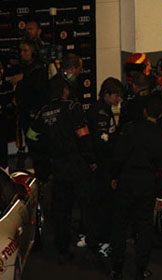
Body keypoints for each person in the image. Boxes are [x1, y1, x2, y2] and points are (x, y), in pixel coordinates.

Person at [26, 78, 96, 264]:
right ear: (65, 91)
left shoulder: (43, 113)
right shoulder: (73, 107)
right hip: (77, 164)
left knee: (61, 210)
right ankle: (93, 245)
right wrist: (90, 159)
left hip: (57, 166)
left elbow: (31, 137)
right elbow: (83, 135)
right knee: (87, 205)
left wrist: (44, 156)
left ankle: (62, 249)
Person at [109, 95, 162, 280]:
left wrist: (114, 176)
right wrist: (160, 196)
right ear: (159, 116)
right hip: (147, 184)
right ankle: (140, 269)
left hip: (127, 181)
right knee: (144, 228)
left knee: (120, 225)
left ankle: (116, 268)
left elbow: (118, 156)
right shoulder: (161, 138)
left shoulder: (130, 130)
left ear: (144, 112)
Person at [81, 77, 124, 256]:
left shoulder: (103, 110)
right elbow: (101, 143)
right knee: (102, 204)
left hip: (99, 164)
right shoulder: (100, 113)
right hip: (101, 166)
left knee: (96, 203)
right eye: (116, 96)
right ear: (106, 94)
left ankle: (91, 236)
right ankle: (98, 240)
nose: (118, 100)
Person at [13, 39, 49, 168]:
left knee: (38, 149)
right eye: (21, 51)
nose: (22, 53)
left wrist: (23, 80)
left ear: (33, 52)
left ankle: (43, 178)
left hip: (35, 116)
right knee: (30, 147)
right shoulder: (24, 68)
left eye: (25, 50)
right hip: (24, 114)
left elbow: (38, 93)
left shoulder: (38, 70)